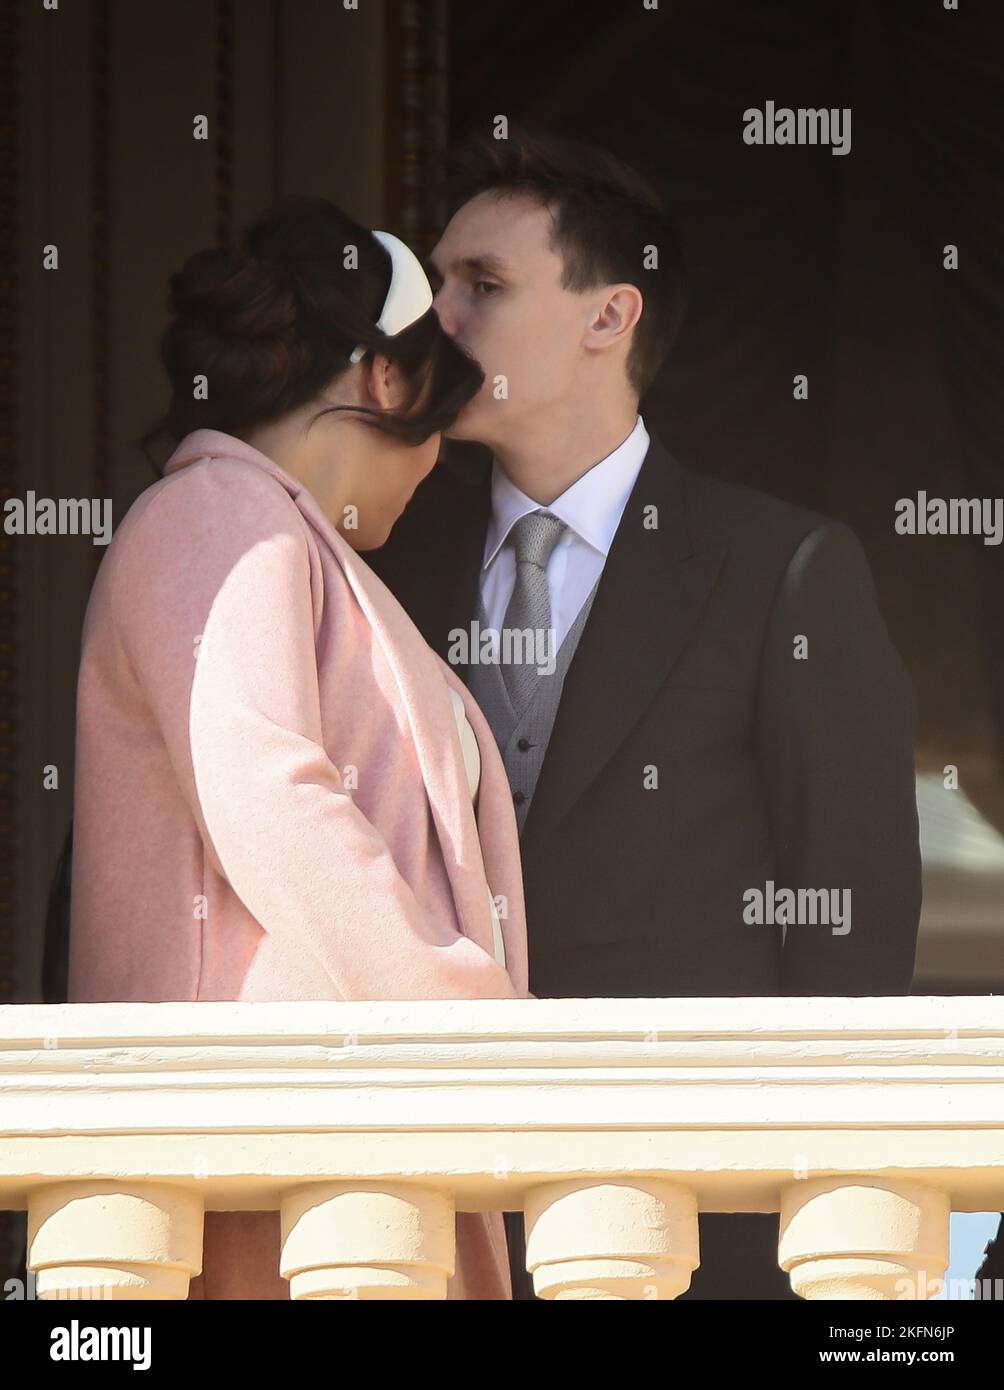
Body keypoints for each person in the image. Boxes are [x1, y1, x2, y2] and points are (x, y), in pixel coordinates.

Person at [368, 129, 923, 1300]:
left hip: (698, 1228)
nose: (440, 320)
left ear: (606, 317)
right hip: (430, 1215)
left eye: (483, 285)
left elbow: (851, 932)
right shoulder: (381, 567)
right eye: (437, 284)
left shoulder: (781, 568)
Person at [67, 195, 532, 1300]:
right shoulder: (218, 514)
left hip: (344, 1152)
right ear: (382, 381)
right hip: (285, 1161)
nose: (434, 467)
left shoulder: (276, 532)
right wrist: (476, 1023)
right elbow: (269, 793)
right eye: (437, 420)